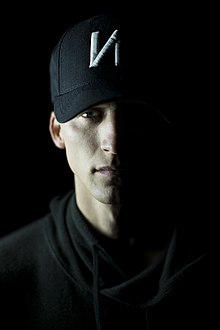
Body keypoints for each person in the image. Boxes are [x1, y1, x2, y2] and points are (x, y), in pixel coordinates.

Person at [0, 11, 214, 330]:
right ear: (57, 131)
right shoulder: (9, 273)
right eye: (90, 114)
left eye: (132, 113)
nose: (113, 141)